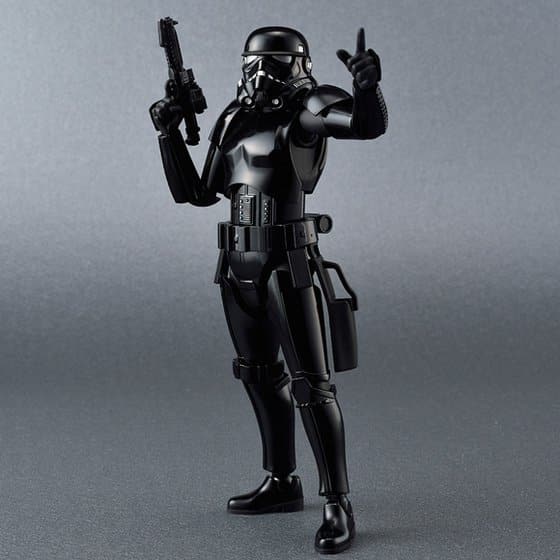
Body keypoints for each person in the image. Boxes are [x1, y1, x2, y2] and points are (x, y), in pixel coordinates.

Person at [150, 25, 388, 554]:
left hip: (287, 264)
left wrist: (367, 88)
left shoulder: (308, 109)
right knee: (258, 375)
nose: (262, 74)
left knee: (311, 386)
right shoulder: (233, 118)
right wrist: (167, 134)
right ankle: (282, 481)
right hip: (237, 265)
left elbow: (363, 126)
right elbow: (195, 193)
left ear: (300, 66)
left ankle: (337, 503)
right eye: (254, 64)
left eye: (275, 63)